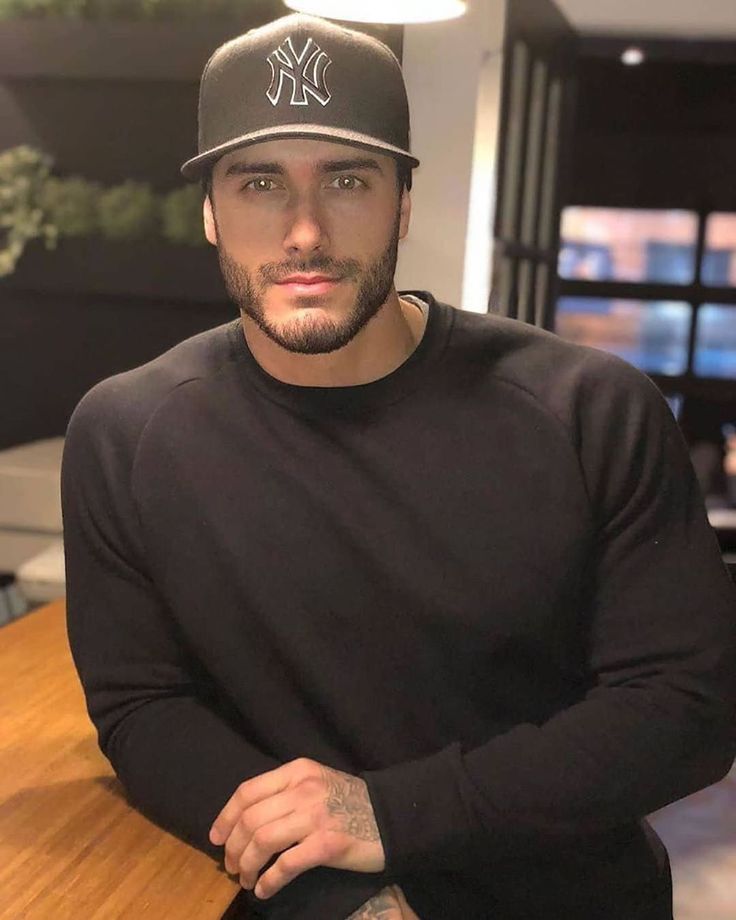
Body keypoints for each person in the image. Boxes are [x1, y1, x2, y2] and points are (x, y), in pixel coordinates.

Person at [60, 13, 736, 920]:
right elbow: (143, 707)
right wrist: (344, 889)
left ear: (404, 201)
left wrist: (390, 813)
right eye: (260, 183)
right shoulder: (124, 430)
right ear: (212, 212)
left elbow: (686, 709)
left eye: (347, 179)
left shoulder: (591, 409)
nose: (304, 232)